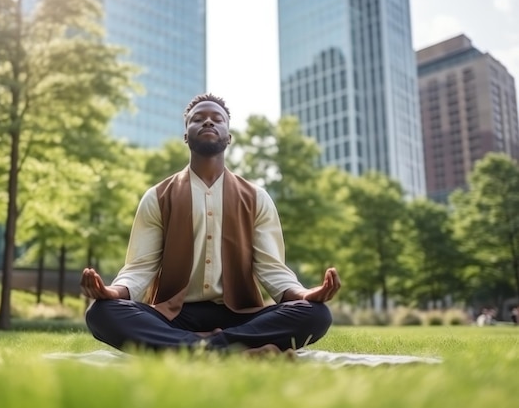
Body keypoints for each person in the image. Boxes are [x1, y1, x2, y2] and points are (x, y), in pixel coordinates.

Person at [81, 93, 341, 356]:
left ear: (228, 136)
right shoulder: (158, 197)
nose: (208, 122)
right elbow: (140, 269)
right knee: (102, 312)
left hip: (241, 317)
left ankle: (191, 349)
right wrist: (112, 292)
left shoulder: (256, 198)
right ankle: (234, 351)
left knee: (316, 314)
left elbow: (273, 270)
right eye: (198, 119)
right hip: (173, 316)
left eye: (217, 119)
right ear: (186, 135)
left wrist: (305, 295)